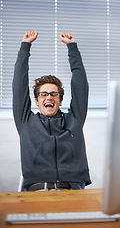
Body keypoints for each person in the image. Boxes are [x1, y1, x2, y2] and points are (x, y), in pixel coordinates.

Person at [13, 30, 91, 191]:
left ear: (60, 100)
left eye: (53, 94)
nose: (48, 97)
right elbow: (19, 85)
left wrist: (72, 48)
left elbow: (80, 85)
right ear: (36, 100)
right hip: (37, 192)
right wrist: (25, 47)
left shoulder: (74, 120)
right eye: (43, 94)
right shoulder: (26, 122)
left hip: (73, 190)